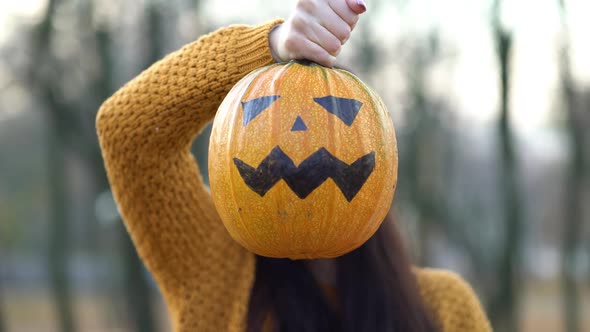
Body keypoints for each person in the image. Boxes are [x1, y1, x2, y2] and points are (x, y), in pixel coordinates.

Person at [96, 0, 492, 331]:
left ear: (379, 151)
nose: (300, 139)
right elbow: (127, 132)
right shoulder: (216, 274)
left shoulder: (445, 309)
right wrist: (271, 48)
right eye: (267, 117)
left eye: (335, 114)